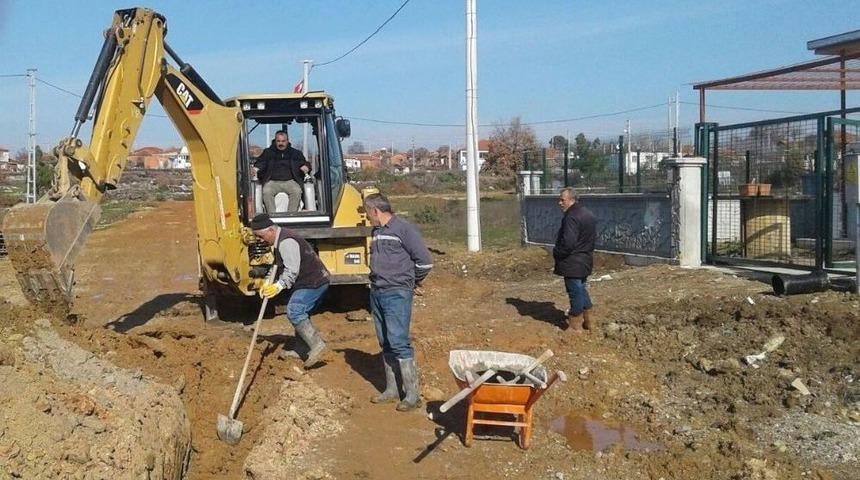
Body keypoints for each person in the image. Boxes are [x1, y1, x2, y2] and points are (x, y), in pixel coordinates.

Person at [363, 193, 433, 412]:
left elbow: (425, 262)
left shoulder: (404, 229)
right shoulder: (377, 232)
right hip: (377, 291)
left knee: (399, 340)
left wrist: (410, 281)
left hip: (396, 293)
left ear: (376, 211)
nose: (368, 217)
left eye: (368, 213)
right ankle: (392, 390)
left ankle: (412, 395)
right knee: (385, 341)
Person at [250, 213, 329, 368]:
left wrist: (278, 286)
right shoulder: (279, 241)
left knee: (295, 310)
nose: (260, 240)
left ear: (271, 231)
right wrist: (267, 283)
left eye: (260, 236)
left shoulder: (286, 242)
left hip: (314, 281)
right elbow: (277, 267)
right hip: (306, 281)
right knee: (298, 311)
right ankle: (302, 348)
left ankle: (317, 345)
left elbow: (291, 271)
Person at [553, 187, 597, 332]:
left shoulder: (571, 217)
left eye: (562, 200)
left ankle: (574, 326)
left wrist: (557, 252)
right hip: (585, 259)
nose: (559, 203)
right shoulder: (587, 213)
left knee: (575, 292)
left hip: (572, 262)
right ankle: (590, 322)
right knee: (581, 289)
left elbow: (568, 243)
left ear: (571, 200)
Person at [254, 130, 311, 213]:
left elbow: (304, 163)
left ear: (287, 141)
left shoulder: (296, 153)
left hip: (290, 181)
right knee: (266, 191)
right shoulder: (268, 152)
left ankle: (292, 214)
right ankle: (272, 215)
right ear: (275, 141)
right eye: (278, 141)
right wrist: (256, 168)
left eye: (283, 141)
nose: (281, 143)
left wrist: (306, 166)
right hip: (272, 181)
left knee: (297, 191)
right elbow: (261, 163)